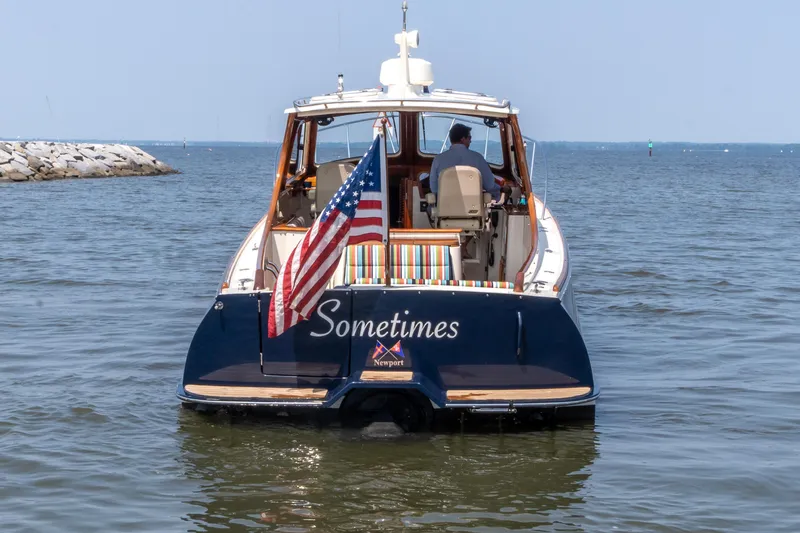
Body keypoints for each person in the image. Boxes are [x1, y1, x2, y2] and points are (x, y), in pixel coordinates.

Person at [429, 123, 504, 201]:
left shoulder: (438, 159)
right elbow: (490, 186)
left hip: (444, 210)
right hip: (474, 211)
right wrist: (502, 189)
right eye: (469, 137)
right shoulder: (477, 158)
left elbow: (434, 189)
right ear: (463, 139)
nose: (470, 141)